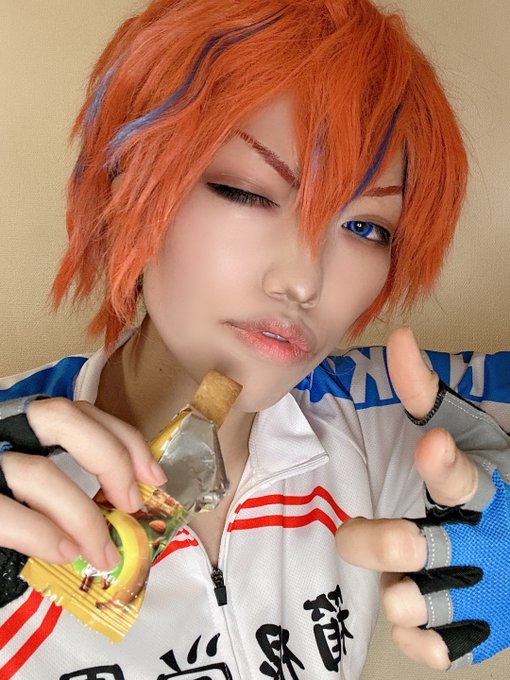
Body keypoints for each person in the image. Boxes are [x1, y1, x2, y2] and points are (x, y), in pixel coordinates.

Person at [1, 0, 509, 678]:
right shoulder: (12, 465)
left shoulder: (380, 415)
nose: (303, 280)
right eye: (247, 192)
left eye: (365, 228)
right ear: (128, 180)